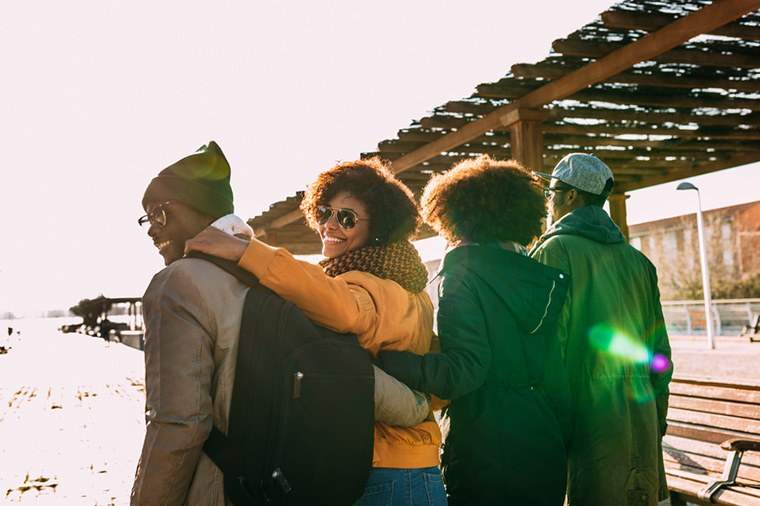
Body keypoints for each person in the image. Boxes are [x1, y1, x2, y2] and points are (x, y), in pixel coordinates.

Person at [132, 144, 427, 505]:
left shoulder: (350, 289)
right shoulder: (286, 285)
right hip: (304, 477)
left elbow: (178, 423)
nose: (330, 225)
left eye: (160, 214)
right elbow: (349, 367)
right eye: (324, 213)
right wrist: (417, 404)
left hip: (358, 471)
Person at [376, 156, 572, 506]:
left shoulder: (463, 275)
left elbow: (464, 370)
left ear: (454, 216)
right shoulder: (541, 278)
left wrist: (390, 361)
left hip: (486, 446)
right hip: (542, 439)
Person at [530, 153, 673, 506]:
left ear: (571, 196)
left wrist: (548, 431)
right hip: (639, 420)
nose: (549, 200)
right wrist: (654, 421)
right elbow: (660, 356)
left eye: (552, 192)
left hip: (585, 427)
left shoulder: (554, 251)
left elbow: (547, 351)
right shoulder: (638, 261)